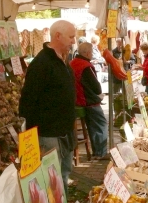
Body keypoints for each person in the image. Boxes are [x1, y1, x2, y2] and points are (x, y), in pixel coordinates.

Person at [19, 20, 76, 193]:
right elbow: (28, 99)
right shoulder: (41, 63)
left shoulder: (62, 60)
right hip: (48, 133)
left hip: (64, 131)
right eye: (71, 37)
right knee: (52, 179)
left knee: (64, 173)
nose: (74, 41)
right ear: (57, 36)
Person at [70, 42, 108, 160]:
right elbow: (97, 87)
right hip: (88, 101)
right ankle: (100, 152)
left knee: (92, 126)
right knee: (101, 124)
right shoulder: (86, 66)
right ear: (87, 53)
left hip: (77, 101)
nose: (92, 54)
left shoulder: (71, 63)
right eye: (91, 52)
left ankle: (97, 152)